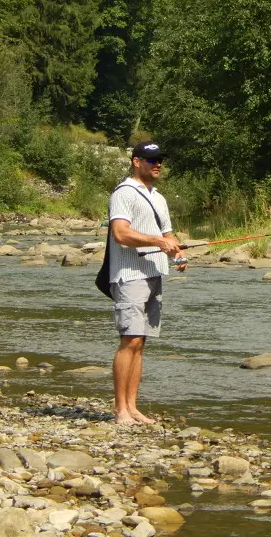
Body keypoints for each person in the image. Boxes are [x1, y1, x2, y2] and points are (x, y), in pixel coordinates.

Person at [107, 141, 187, 425]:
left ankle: (133, 407)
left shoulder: (159, 198)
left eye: (160, 160)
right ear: (136, 161)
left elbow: (168, 233)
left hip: (154, 274)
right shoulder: (124, 193)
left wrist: (178, 253)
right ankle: (120, 410)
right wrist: (157, 241)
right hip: (129, 275)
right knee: (129, 340)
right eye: (152, 160)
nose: (158, 165)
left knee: (140, 343)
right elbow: (120, 233)